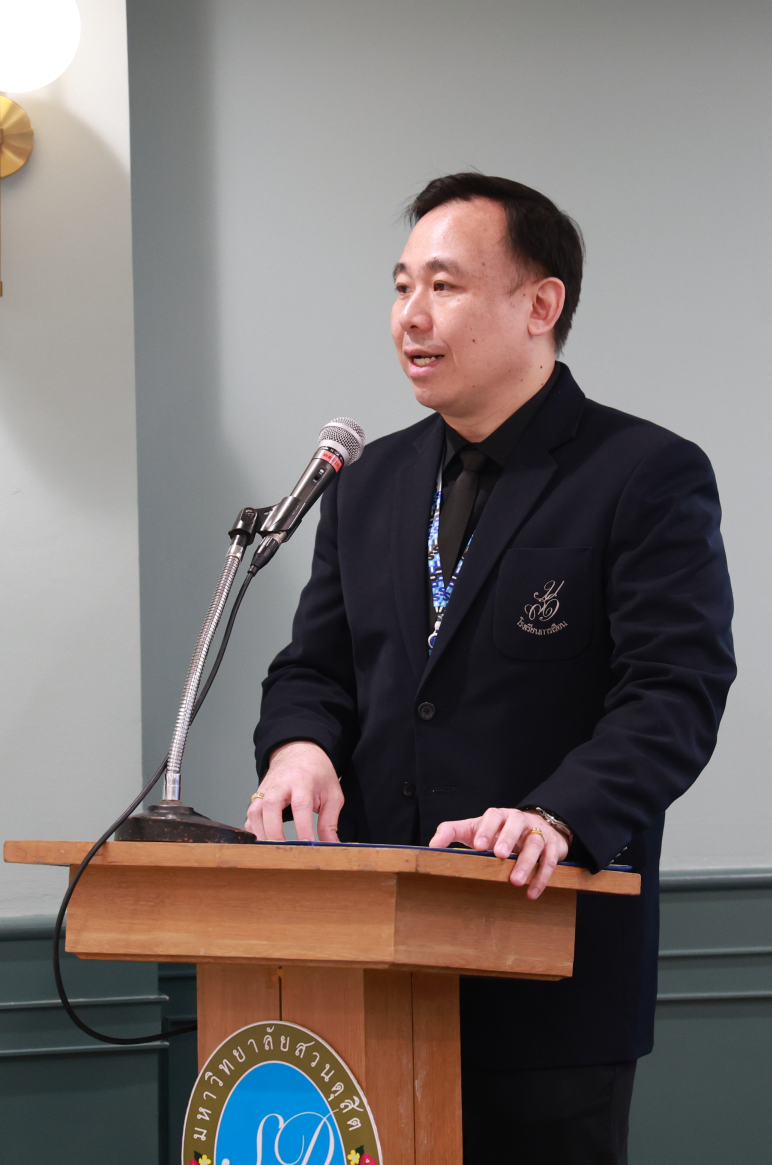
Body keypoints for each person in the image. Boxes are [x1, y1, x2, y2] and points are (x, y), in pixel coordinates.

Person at [247, 172, 736, 1165]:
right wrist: (300, 749)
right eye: (400, 287)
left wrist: (557, 814)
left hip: (546, 960)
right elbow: (316, 670)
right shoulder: (367, 483)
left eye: (443, 285)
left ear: (539, 304)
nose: (410, 317)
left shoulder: (642, 474)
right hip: (372, 963)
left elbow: (673, 693)